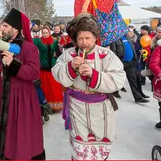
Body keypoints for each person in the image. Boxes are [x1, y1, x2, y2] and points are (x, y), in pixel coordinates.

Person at [52, 13, 126, 160]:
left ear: (95, 38)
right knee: (80, 146)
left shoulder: (107, 54)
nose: (84, 42)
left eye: (88, 38)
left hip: (102, 108)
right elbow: (57, 72)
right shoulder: (69, 54)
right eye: (81, 38)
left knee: (100, 145)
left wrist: (94, 74)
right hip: (77, 106)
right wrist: (70, 67)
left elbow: (119, 79)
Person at [0, 8, 45, 160]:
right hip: (3, 97)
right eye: (2, 25)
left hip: (22, 99)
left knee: (21, 135)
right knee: (6, 135)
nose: (1, 28)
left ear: (16, 29)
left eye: (5, 26)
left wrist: (13, 64)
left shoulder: (29, 48)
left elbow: (34, 73)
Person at [33, 26, 63, 111]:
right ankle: (44, 104)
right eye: (43, 33)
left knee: (53, 86)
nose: (45, 34)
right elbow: (28, 40)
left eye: (46, 33)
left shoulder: (54, 41)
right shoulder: (38, 41)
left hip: (52, 66)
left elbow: (58, 52)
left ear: (49, 33)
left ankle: (54, 104)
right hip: (43, 66)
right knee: (44, 86)